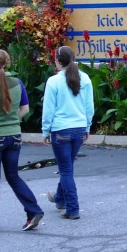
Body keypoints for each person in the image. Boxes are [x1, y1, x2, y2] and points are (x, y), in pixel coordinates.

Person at [0, 48, 44, 231]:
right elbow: (25, 109)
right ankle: (33, 211)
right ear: (6, 63)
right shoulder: (18, 83)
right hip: (14, 136)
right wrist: (12, 122)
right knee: (13, 176)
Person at [42, 45, 94, 220]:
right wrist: (87, 127)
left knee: (65, 170)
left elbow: (48, 109)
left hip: (60, 130)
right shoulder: (85, 78)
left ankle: (72, 208)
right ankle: (60, 199)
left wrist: (45, 130)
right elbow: (89, 107)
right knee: (67, 166)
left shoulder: (53, 81)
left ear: (57, 61)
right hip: (79, 129)